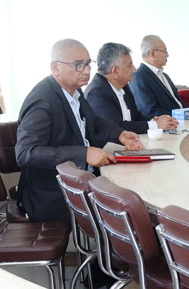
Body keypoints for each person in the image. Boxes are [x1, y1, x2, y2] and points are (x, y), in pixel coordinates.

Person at [15, 39, 144, 224]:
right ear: (55, 68)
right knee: (126, 212)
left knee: (133, 189)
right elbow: (26, 153)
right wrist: (84, 154)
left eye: (88, 64)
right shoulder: (42, 101)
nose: (86, 70)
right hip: (52, 192)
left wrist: (120, 134)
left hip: (82, 180)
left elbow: (95, 122)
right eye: (78, 65)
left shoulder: (75, 92)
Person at [85, 42, 178, 134]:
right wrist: (154, 125)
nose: (134, 69)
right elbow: (116, 127)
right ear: (115, 71)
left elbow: (136, 116)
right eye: (129, 65)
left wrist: (154, 120)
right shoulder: (96, 93)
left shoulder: (124, 86)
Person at [131, 35, 186, 117]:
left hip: (184, 120)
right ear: (152, 53)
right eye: (165, 51)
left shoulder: (165, 76)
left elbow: (178, 103)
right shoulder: (139, 77)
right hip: (170, 123)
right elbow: (148, 111)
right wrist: (180, 116)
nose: (167, 55)